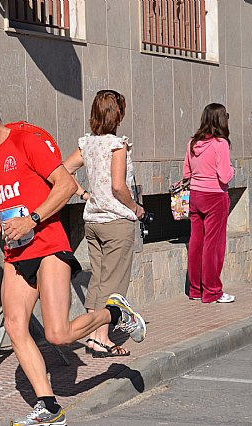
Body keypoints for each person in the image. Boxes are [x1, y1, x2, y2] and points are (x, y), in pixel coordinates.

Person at [0, 92, 146, 426]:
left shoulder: (28, 138)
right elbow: (13, 206)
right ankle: (49, 407)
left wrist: (32, 220)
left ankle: (115, 314)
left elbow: (66, 185)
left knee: (57, 334)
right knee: (16, 325)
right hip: (17, 251)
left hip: (47, 245)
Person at [63, 89, 144, 358]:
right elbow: (119, 186)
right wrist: (136, 208)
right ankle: (101, 338)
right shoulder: (117, 144)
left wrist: (84, 194)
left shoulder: (87, 144)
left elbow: (63, 170)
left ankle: (92, 336)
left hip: (93, 221)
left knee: (98, 280)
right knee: (114, 284)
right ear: (117, 114)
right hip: (116, 221)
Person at [183, 103, 235, 304]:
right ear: (221, 119)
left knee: (196, 242)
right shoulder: (220, 144)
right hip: (215, 197)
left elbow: (187, 172)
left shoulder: (192, 143)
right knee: (214, 245)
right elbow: (224, 176)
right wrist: (232, 170)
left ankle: (195, 289)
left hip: (195, 195)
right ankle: (212, 291)